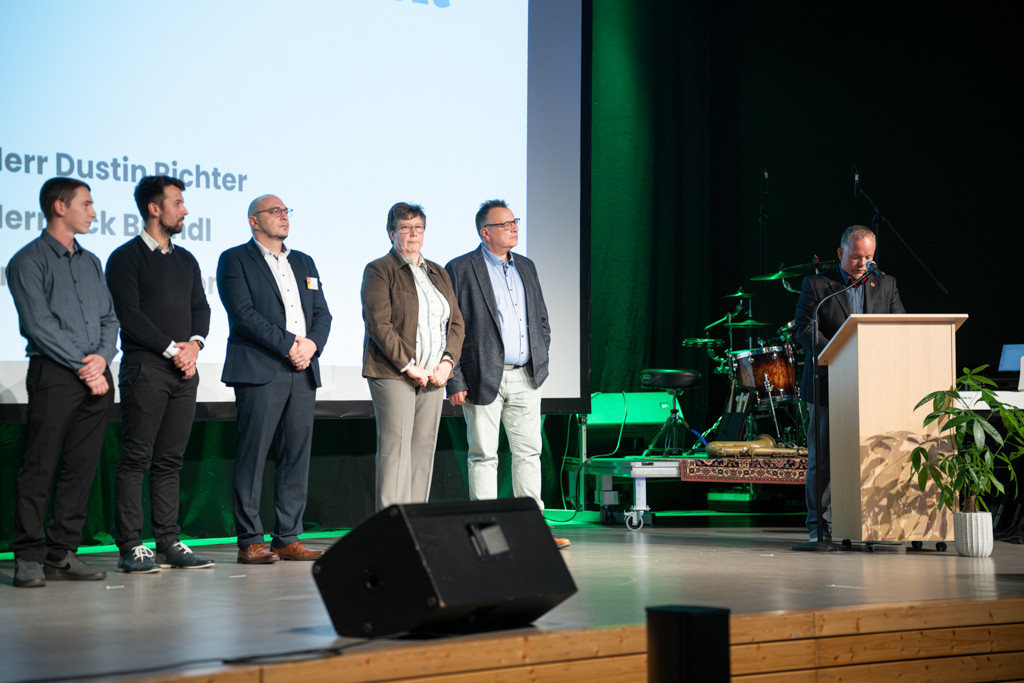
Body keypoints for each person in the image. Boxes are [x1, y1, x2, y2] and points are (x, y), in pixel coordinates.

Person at [6, 177, 119, 587]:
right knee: (40, 466)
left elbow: (109, 319)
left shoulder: (91, 262)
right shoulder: (27, 260)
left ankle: (62, 553)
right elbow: (38, 324)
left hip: (96, 376)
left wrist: (102, 359)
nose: (93, 212)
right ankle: (28, 556)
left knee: (81, 467)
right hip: (55, 373)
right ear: (59, 206)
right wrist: (83, 366)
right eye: (85, 204)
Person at [105, 175, 214, 573]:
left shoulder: (186, 260)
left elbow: (201, 308)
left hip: (184, 373)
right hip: (146, 369)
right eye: (178, 203)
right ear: (155, 208)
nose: (185, 210)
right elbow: (129, 315)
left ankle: (168, 540)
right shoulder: (125, 257)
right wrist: (173, 349)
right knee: (136, 458)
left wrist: (195, 346)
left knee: (170, 460)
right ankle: (131, 546)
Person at [445, 199, 568, 549]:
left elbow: (541, 319)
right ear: (485, 232)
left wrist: (540, 355)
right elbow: (450, 328)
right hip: (481, 377)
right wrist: (455, 379)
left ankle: (533, 528)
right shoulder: (461, 268)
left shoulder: (526, 266)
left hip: (526, 375)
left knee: (529, 453)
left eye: (515, 222)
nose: (514, 228)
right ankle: (486, 532)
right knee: (484, 454)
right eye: (505, 224)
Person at [217, 194, 332, 564]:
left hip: (303, 368)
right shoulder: (235, 259)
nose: (284, 216)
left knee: (295, 454)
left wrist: (311, 345)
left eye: (286, 211)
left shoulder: (304, 261)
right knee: (253, 455)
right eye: (275, 211)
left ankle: (287, 537)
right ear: (254, 221)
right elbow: (244, 314)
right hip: (261, 367)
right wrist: (289, 345)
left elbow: (323, 313)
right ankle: (250, 539)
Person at [794, 225, 905, 541]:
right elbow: (803, 329)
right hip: (828, 383)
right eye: (857, 257)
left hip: (874, 385)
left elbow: (899, 326)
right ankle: (819, 526)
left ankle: (871, 522)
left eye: (869, 257)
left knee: (876, 453)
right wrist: (839, 353)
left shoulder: (886, 284)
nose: (863, 263)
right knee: (823, 460)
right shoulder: (818, 286)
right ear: (841, 253)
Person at [361, 203, 465, 510]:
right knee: (396, 450)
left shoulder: (438, 272)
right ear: (391, 233)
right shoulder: (380, 270)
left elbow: (456, 323)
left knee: (423, 450)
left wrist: (447, 362)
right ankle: (391, 525)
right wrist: (409, 366)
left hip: (433, 375)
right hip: (393, 372)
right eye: (405, 227)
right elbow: (379, 325)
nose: (413, 233)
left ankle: (417, 521)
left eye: (418, 227)